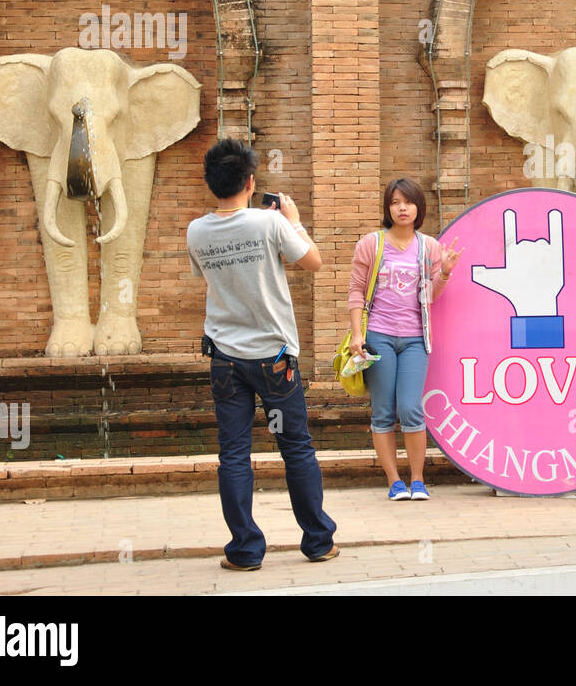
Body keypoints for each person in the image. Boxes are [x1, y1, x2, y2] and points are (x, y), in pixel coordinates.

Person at [187, 138, 338, 570]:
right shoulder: (269, 225)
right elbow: (314, 263)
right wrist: (293, 222)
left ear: (211, 183)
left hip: (224, 359)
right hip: (273, 358)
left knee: (233, 454)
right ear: (251, 182)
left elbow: (210, 276)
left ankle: (245, 551)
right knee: (296, 448)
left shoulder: (196, 230)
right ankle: (317, 542)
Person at [349, 178, 462, 500]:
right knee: (383, 411)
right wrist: (358, 335)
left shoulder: (430, 247)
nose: (402, 208)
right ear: (388, 207)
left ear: (418, 208)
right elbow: (356, 292)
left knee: (411, 408)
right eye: (395, 202)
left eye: (408, 202)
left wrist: (445, 273)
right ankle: (393, 482)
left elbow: (429, 297)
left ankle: (417, 480)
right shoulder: (371, 244)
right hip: (379, 337)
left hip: (415, 339)